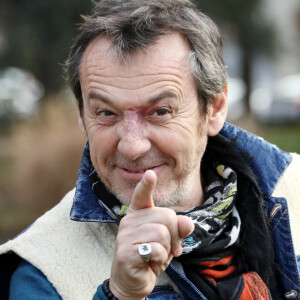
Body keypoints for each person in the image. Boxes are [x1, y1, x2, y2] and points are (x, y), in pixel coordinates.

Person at [1, 0, 300, 299]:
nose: (132, 147)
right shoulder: (44, 272)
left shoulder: (293, 190)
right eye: (106, 113)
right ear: (82, 116)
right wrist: (119, 294)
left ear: (215, 107)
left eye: (160, 112)